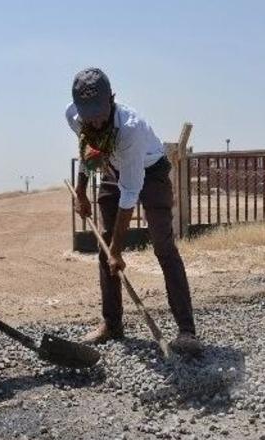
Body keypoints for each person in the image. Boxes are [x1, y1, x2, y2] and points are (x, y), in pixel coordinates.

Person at [66, 68, 202, 355]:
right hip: (113, 168)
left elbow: (130, 192)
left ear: (112, 99)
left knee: (163, 247)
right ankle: (112, 323)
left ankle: (187, 331)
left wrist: (119, 248)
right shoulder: (74, 116)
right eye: (88, 115)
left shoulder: (130, 129)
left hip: (150, 172)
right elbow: (89, 151)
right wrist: (80, 192)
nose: (95, 120)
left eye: (100, 113)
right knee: (105, 252)